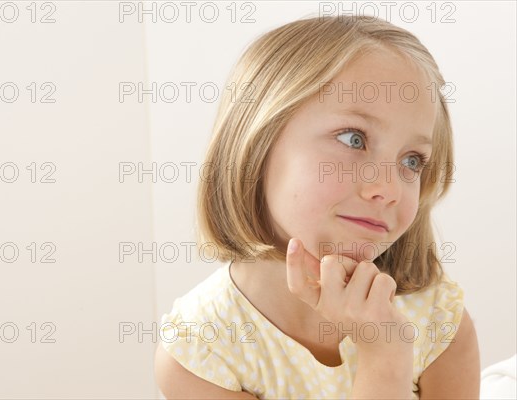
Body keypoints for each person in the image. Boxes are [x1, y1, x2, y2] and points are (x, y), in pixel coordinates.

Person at [154, 15, 480, 399]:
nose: (389, 189)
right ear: (256, 144)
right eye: (353, 138)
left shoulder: (440, 323)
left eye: (412, 161)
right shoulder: (203, 350)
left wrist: (389, 350)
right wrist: (383, 360)